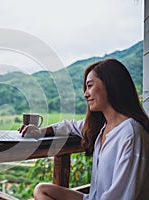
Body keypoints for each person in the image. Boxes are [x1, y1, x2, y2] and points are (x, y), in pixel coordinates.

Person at [18, 58, 149, 200]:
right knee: (41, 190)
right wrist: (41, 131)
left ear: (110, 85)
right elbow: (69, 126)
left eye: (90, 86)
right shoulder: (102, 126)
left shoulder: (131, 134)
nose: (85, 94)